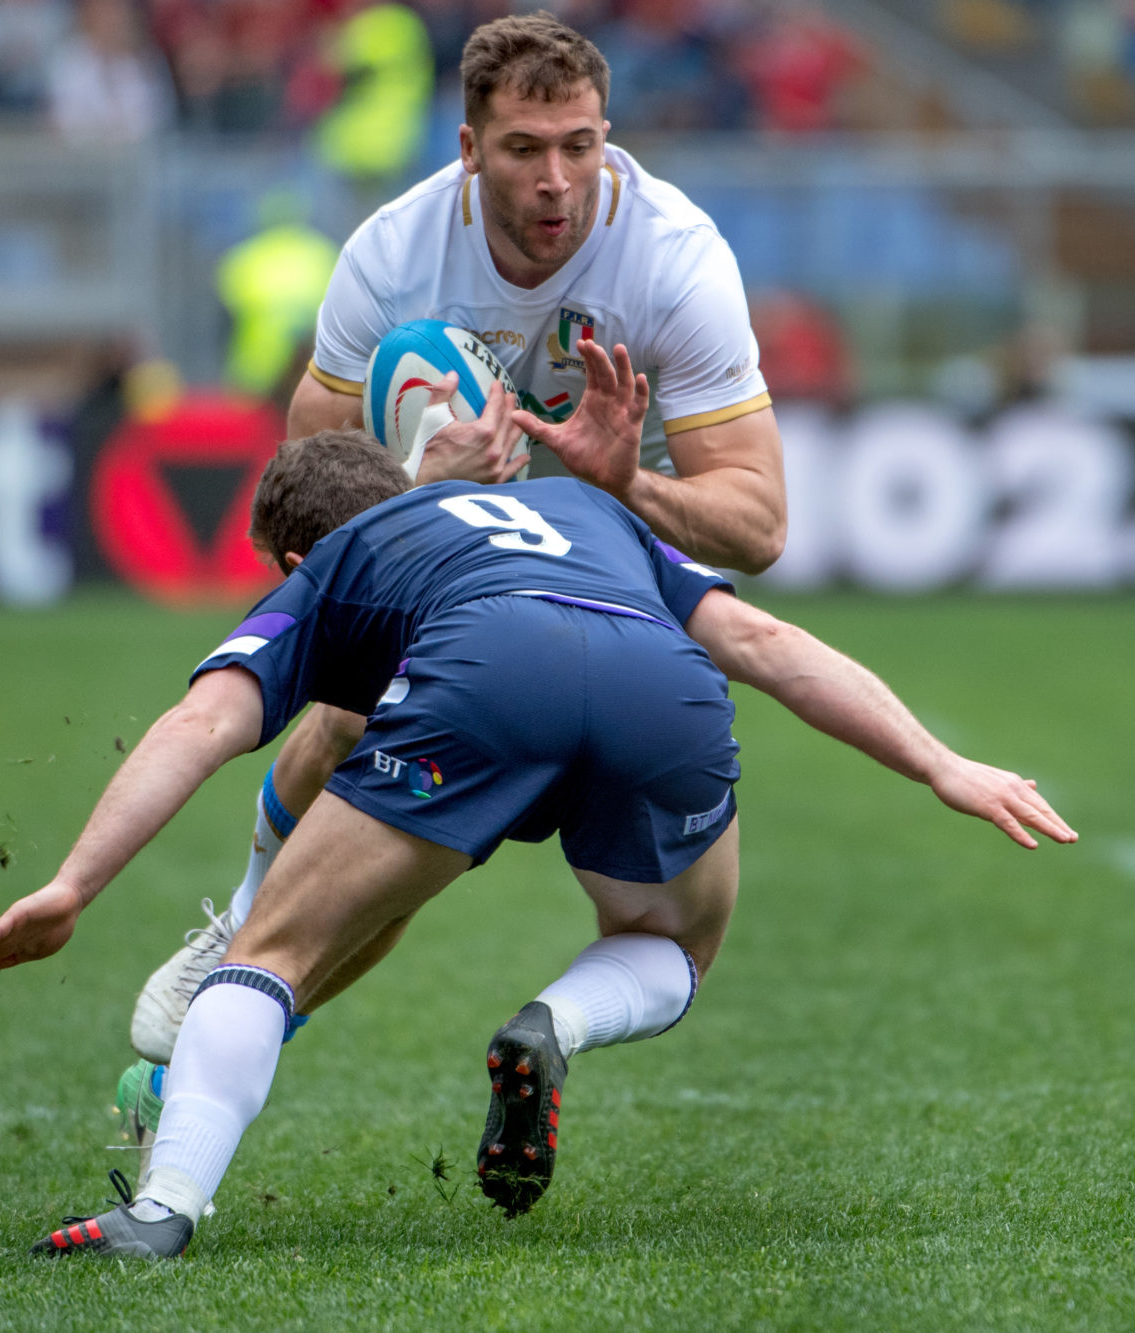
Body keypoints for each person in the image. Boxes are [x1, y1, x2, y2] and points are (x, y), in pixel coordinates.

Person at [0, 420, 1075, 1259]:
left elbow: (201, 723)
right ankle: (551, 1024)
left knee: (267, 954)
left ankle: (160, 1210)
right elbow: (764, 641)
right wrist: (939, 763)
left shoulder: (333, 568)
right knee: (672, 947)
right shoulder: (588, 513)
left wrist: (74, 883)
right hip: (655, 680)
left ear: (289, 558)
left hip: (485, 674)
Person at [126, 8, 791, 1079]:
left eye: (581, 145)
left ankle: (242, 1000)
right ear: (468, 149)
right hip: (454, 547)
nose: (557, 181)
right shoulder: (392, 253)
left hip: (621, 558)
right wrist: (418, 491)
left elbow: (757, 524)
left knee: (673, 919)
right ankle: (245, 942)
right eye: (524, 150)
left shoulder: (672, 258)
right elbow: (306, 493)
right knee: (358, 745)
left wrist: (622, 478)